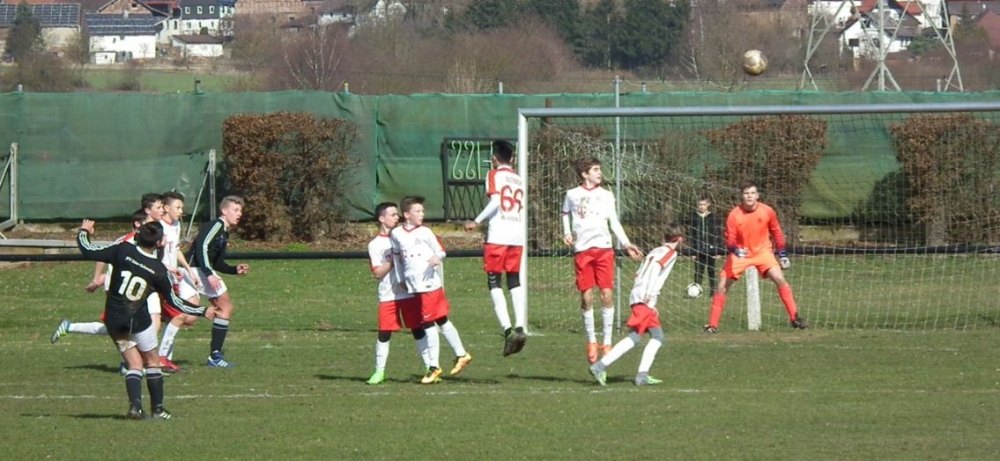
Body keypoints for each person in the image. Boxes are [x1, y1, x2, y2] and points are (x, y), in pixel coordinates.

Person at [76, 219, 211, 420]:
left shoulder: (122, 250)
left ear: (138, 235)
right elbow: (175, 302)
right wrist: (202, 310)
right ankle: (158, 409)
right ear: (158, 243)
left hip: (114, 321)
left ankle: (136, 408)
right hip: (138, 321)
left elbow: (88, 250)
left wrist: (84, 231)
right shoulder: (158, 270)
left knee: (134, 364)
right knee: (153, 362)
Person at [561, 157, 643, 364]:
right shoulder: (572, 194)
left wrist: (626, 244)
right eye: (596, 169)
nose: (600, 173)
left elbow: (614, 221)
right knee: (587, 297)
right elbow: (565, 214)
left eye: (600, 169)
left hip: (605, 250)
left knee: (606, 295)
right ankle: (591, 340)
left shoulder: (606, 195)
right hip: (583, 251)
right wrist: (567, 232)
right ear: (584, 174)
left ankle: (607, 342)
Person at [704, 181, 808, 332]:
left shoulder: (767, 211)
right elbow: (730, 241)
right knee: (721, 287)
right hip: (741, 254)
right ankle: (712, 325)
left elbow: (777, 232)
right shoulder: (734, 215)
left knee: (780, 279)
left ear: (757, 196)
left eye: (752, 193)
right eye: (746, 193)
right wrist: (736, 251)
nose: (749, 196)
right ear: (742, 196)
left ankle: (795, 318)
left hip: (763, 253)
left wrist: (782, 254)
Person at [589, 223, 685, 387]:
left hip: (638, 294)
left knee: (657, 336)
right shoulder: (671, 253)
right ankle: (600, 366)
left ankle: (642, 375)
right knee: (635, 336)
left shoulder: (656, 250)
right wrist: (649, 296)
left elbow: (641, 271)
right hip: (645, 297)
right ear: (681, 239)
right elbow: (654, 269)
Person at [390, 196, 472, 384]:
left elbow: (441, 251)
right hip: (414, 284)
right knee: (441, 319)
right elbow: (397, 258)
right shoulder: (397, 234)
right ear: (406, 215)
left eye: (423, 211)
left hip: (429, 283)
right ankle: (462, 354)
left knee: (428, 323)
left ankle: (434, 367)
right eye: (418, 211)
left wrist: (437, 257)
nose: (422, 214)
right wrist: (401, 278)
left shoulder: (425, 232)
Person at [464, 140, 528, 356]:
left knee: (494, 281)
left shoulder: (494, 175)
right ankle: (520, 326)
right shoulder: (518, 179)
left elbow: (496, 202)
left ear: (494, 158)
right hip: (517, 235)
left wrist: (476, 221)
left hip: (499, 234)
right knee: (514, 280)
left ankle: (508, 330)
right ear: (512, 158)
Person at [51, 209, 147, 344]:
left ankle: (70, 327)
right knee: (123, 326)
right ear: (138, 223)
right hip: (120, 287)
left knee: (130, 326)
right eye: (148, 220)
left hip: (134, 285)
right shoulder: (127, 241)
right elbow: (102, 256)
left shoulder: (147, 239)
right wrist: (97, 279)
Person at [365, 202, 429, 385]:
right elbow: (378, 273)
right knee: (384, 333)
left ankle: (430, 368)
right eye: (392, 215)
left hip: (408, 293)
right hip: (388, 295)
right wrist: (393, 258)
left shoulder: (403, 237)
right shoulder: (375, 245)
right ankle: (379, 372)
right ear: (381, 218)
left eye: (396, 214)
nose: (397, 217)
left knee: (418, 330)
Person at [185, 195, 248, 368]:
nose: (239, 214)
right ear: (224, 210)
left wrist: (234, 270)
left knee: (191, 316)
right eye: (236, 210)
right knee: (195, 314)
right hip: (195, 270)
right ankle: (215, 356)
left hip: (200, 270)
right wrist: (208, 273)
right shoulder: (217, 225)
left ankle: (215, 356)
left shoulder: (224, 232)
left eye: (240, 210)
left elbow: (218, 263)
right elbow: (201, 246)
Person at [156, 191, 203, 373]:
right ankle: (160, 358)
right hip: (159, 278)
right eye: (178, 207)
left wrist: (189, 270)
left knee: (173, 318)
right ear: (166, 208)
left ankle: (164, 358)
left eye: (182, 207)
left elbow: (175, 250)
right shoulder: (157, 227)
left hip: (172, 278)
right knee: (178, 315)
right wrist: (167, 269)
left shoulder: (175, 225)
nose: (181, 211)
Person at [688, 195, 724, 295]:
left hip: (711, 248)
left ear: (708, 204)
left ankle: (713, 291)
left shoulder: (713, 217)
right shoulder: (693, 217)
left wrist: (718, 250)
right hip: (698, 248)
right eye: (700, 204)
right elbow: (691, 234)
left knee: (712, 270)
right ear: (697, 205)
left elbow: (718, 234)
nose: (702, 207)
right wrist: (693, 251)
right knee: (698, 271)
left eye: (704, 204)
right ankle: (696, 291)